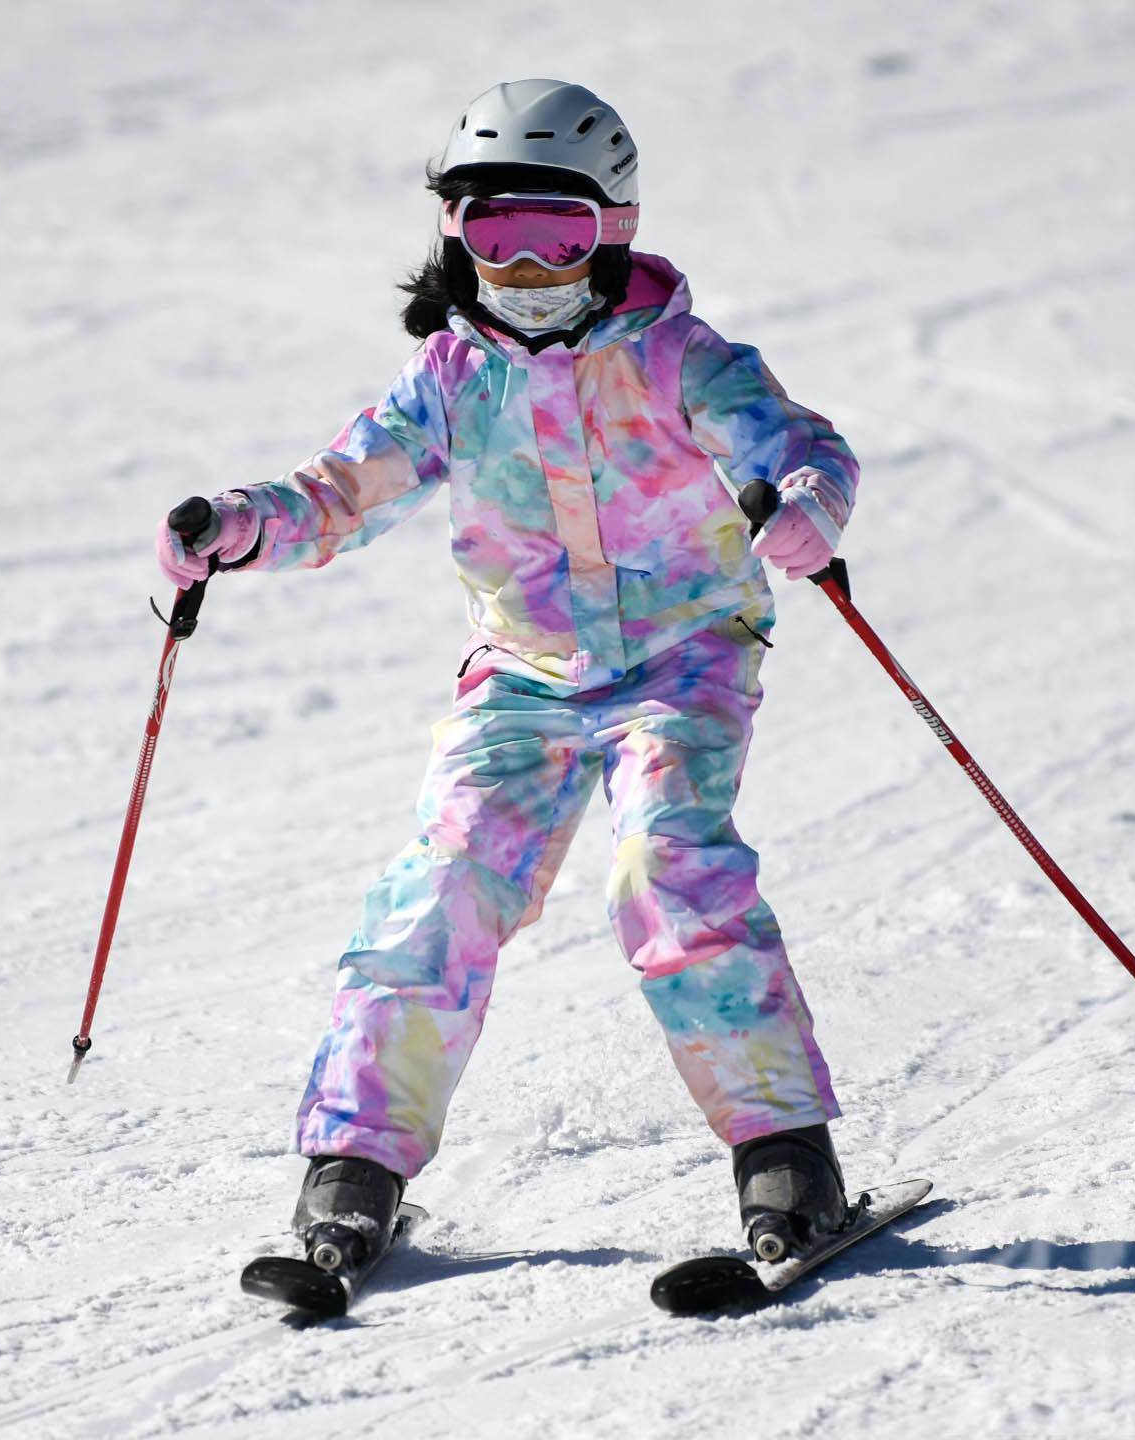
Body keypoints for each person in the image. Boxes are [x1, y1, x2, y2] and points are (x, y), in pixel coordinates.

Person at [157, 79, 857, 1271]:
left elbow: (800, 448)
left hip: (680, 658)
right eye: (493, 235)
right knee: (439, 887)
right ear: (454, 237)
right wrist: (239, 524)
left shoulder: (679, 357)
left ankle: (786, 1156)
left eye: (558, 236)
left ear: (614, 230)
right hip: (523, 674)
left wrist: (804, 513)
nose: (526, 269)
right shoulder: (450, 374)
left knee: (667, 872)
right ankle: (354, 1171)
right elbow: (341, 490)